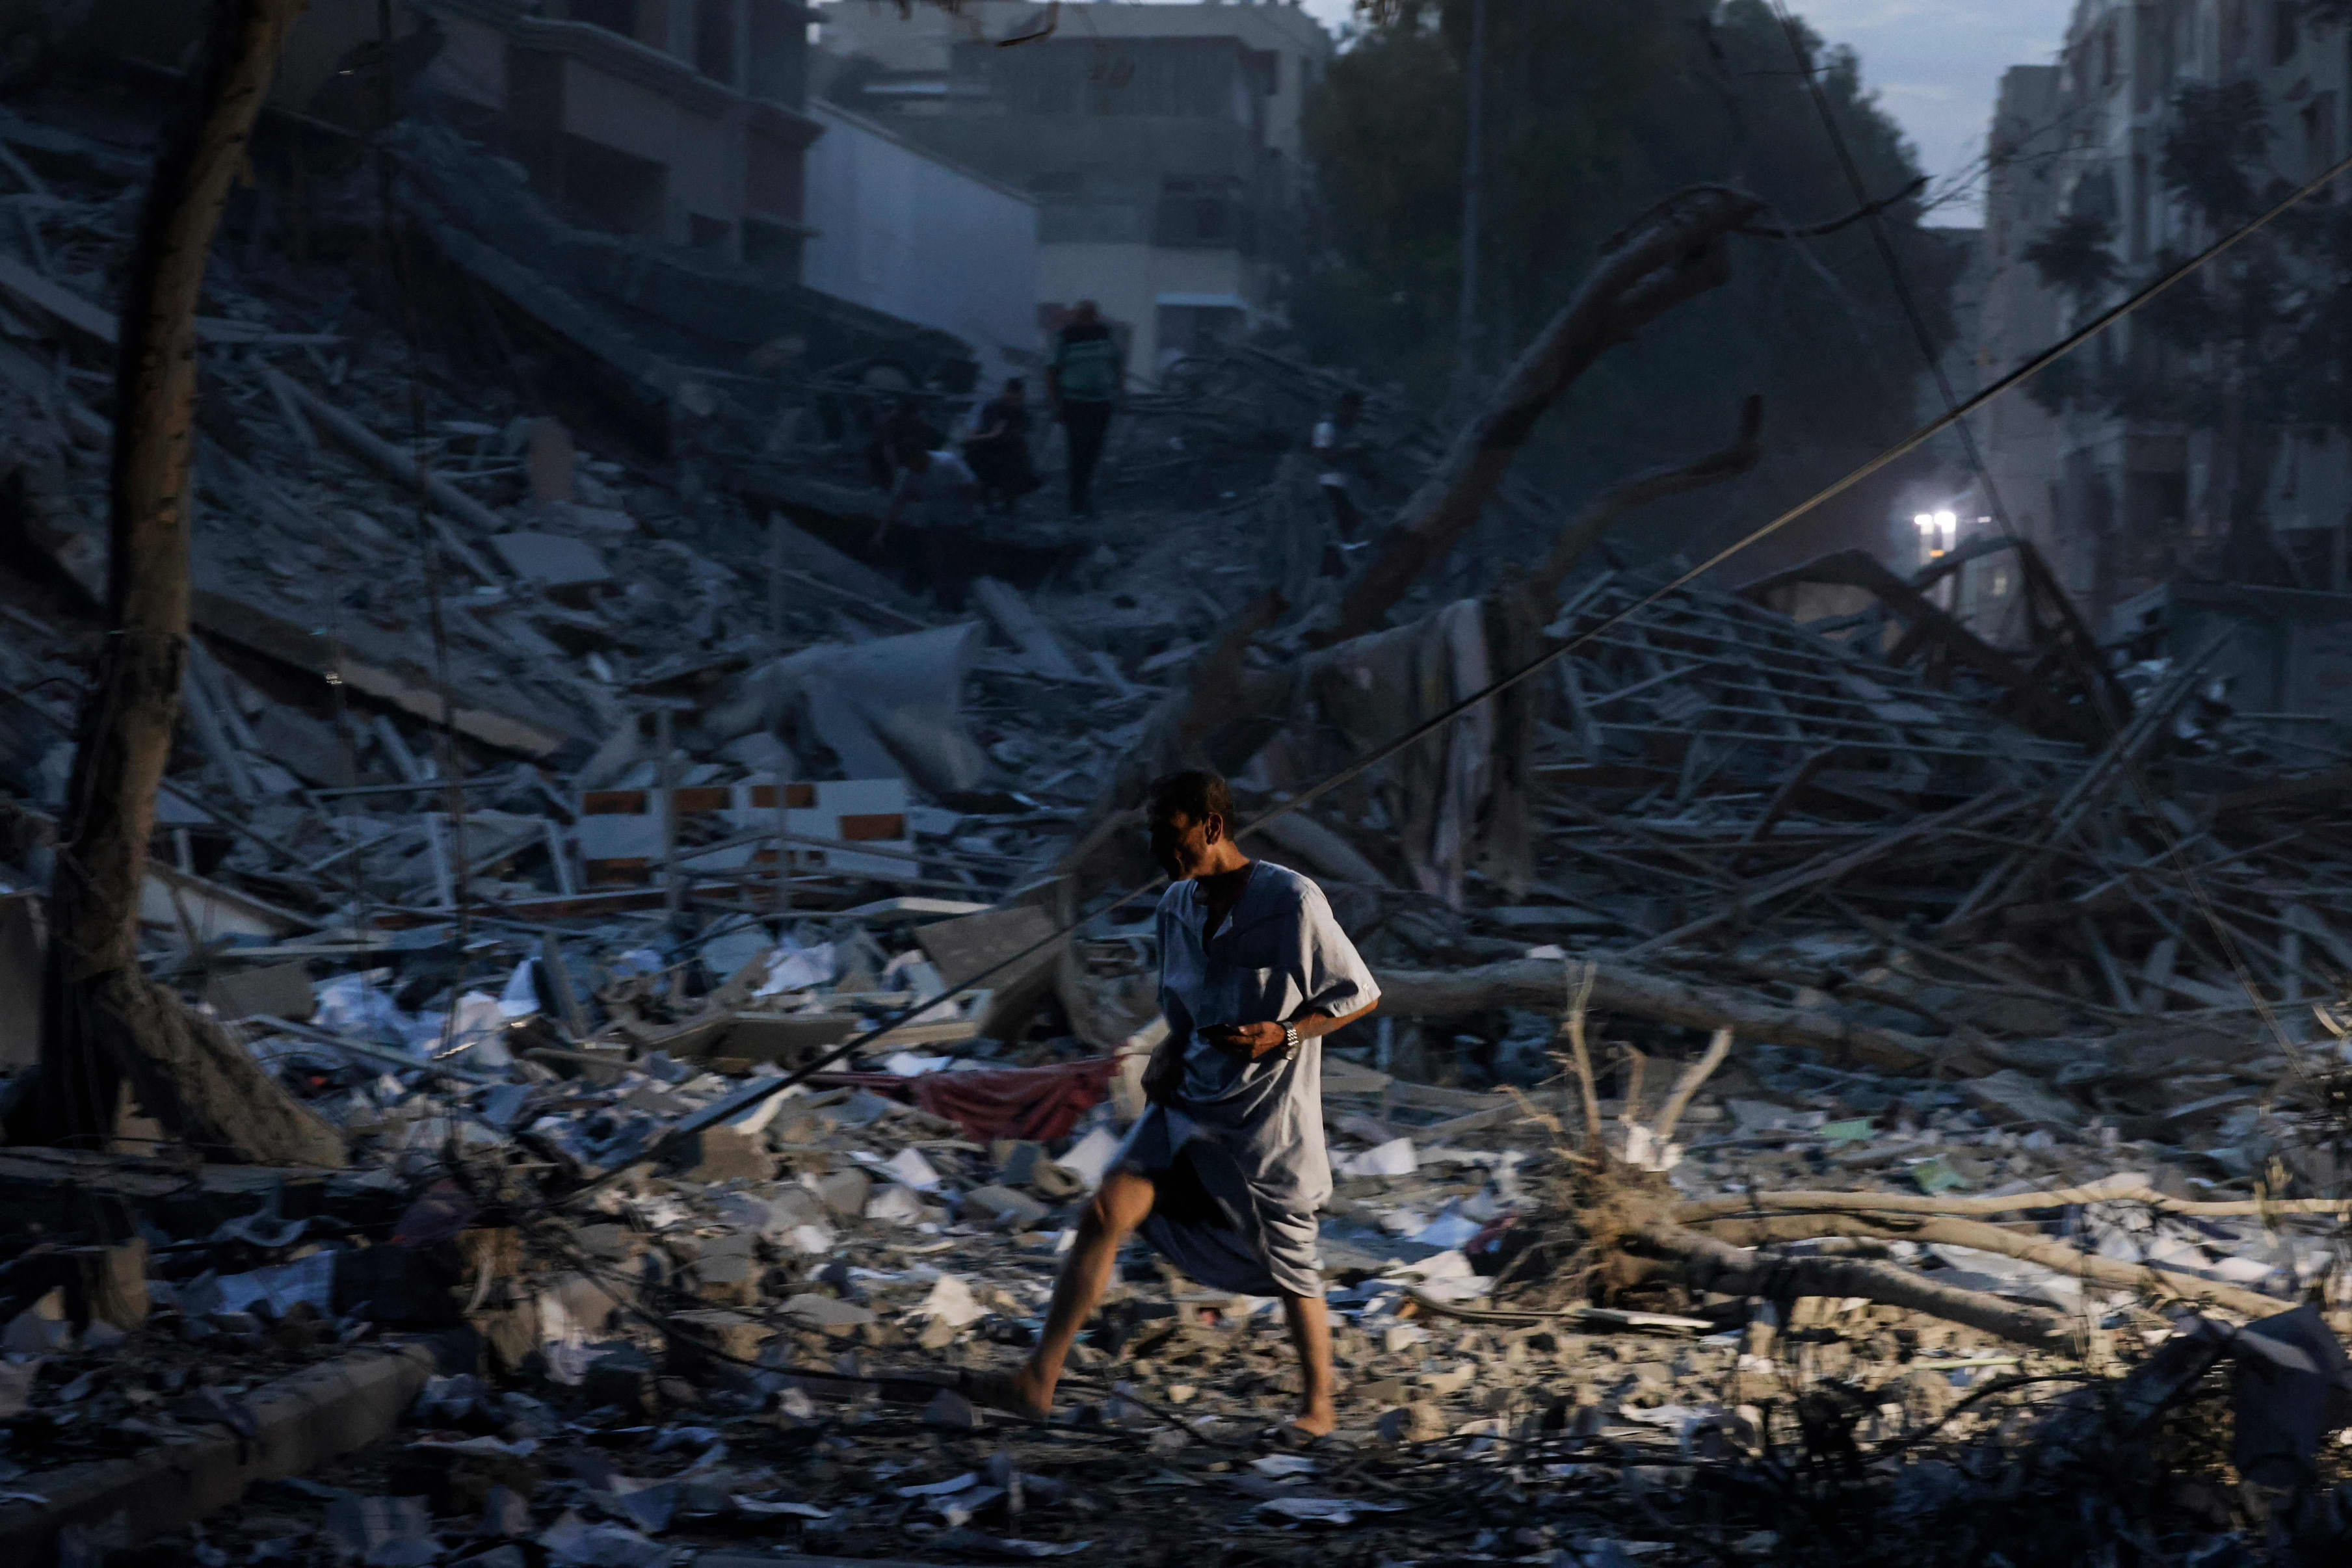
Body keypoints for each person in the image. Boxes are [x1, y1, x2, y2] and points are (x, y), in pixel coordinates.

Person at [973, 769, 1381, 1439]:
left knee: (1291, 1260)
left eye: (1172, 838)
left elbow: (1356, 994)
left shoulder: (1290, 901)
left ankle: (1319, 1407)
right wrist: (1166, 1052)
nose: (1161, 856)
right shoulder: (1175, 907)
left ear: (1212, 828)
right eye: (1153, 840)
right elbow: (1183, 1009)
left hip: (1264, 1111)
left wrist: (1283, 1033)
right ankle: (1036, 1380)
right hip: (1189, 1097)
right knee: (1105, 1208)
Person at [1046, 300, 1122, 517]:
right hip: (1074, 403)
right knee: (1077, 450)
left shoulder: (1104, 335)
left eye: (1090, 314)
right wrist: (1055, 404)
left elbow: (1117, 364)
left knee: (1094, 449)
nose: (1087, 318)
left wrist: (1121, 393)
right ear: (1078, 316)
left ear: (1095, 315)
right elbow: (1051, 371)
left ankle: (1084, 495)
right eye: (1083, 314)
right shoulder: (1066, 337)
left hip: (1101, 403)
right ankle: (1076, 501)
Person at [962, 377, 1042, 514]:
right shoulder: (993, 407)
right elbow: (978, 435)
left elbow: (1022, 433)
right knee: (983, 462)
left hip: (1010, 453)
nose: (1014, 400)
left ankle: (1008, 503)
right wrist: (994, 434)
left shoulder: (1021, 412)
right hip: (986, 449)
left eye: (1017, 398)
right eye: (1011, 396)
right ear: (1006, 393)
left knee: (1016, 466)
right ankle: (986, 501)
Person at [1311, 389, 1368, 545]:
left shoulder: (1352, 431)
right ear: (1343, 408)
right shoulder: (1326, 427)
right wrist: (1347, 452)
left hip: (1346, 484)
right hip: (1323, 482)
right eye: (1353, 410)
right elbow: (1322, 457)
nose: (1355, 415)